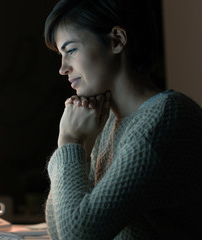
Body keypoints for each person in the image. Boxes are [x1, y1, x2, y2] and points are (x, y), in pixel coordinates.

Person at [43, 0, 202, 239]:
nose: (63, 68)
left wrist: (69, 142)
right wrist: (81, 151)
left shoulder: (166, 119)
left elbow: (77, 235)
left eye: (71, 50)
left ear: (116, 40)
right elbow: (59, 231)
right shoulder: (106, 123)